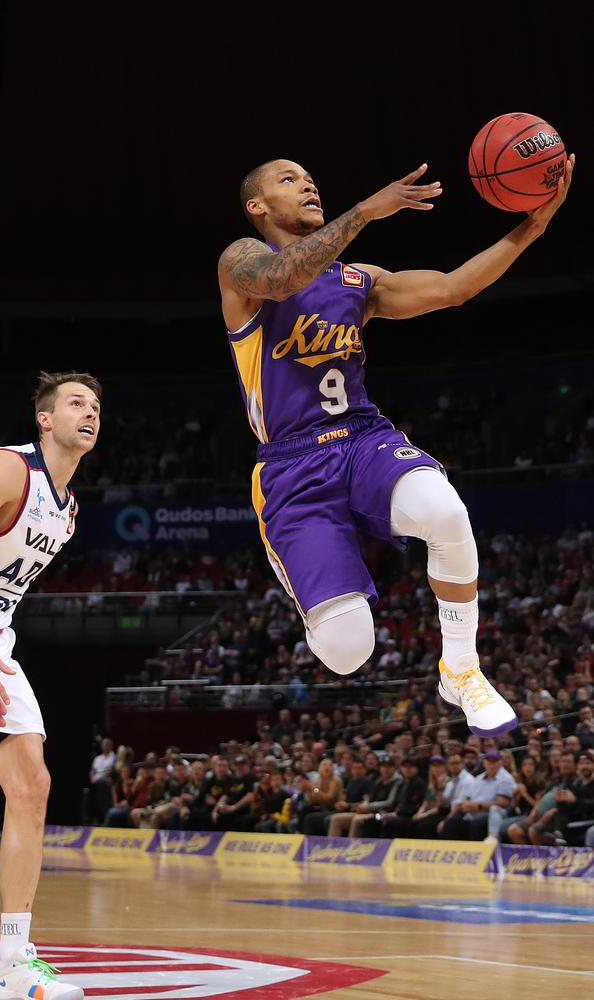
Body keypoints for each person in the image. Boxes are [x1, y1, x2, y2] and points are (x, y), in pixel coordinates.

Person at [218, 154, 575, 738]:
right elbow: (285, 279)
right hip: (292, 467)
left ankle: (460, 667)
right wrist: (365, 211)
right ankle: (313, 591)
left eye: (311, 175)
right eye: (289, 179)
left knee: (445, 510)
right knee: (347, 649)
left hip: (361, 438)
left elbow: (453, 289)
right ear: (257, 207)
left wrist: (531, 226)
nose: (308, 182)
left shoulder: (360, 280)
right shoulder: (241, 263)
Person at [0, 371, 101, 1000]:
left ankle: (12, 962)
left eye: (96, 406)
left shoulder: (67, 511)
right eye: (75, 403)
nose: (89, 413)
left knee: (31, 782)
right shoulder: (9, 469)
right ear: (45, 418)